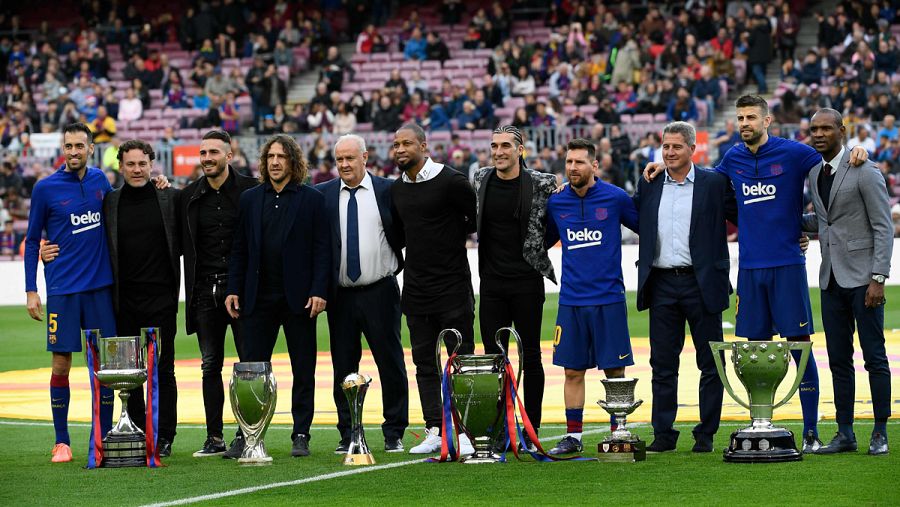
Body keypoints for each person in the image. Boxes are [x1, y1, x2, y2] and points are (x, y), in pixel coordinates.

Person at [644, 95, 869, 452]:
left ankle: (810, 431)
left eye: (751, 117)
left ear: (767, 121)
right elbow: (701, 183)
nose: (744, 123)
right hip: (749, 270)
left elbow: (832, 161)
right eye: (740, 118)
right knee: (754, 353)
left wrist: (857, 151)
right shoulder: (732, 158)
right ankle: (759, 423)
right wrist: (665, 167)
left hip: (787, 267)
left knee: (799, 349)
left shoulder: (794, 153)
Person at [633, 121, 737, 453]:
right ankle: (663, 433)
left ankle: (705, 434)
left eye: (677, 146)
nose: (669, 152)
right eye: (665, 147)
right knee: (662, 364)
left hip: (702, 282)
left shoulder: (715, 183)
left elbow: (748, 214)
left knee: (710, 363)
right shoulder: (649, 183)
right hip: (662, 283)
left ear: (693, 149)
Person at [225, 134, 329, 458]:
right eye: (270, 156)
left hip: (299, 300)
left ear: (293, 162)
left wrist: (319, 291)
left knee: (303, 369)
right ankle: (248, 435)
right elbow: (239, 249)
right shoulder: (250, 199)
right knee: (252, 372)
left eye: (281, 157)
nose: (274, 162)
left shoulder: (312, 199)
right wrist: (233, 288)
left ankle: (301, 433)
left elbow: (323, 250)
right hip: (258, 298)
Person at [24, 123, 117, 463]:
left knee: (104, 367)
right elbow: (34, 240)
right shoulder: (45, 189)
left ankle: (103, 436)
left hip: (100, 288)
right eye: (68, 146)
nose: (74, 151)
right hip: (62, 290)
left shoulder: (100, 182)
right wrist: (31, 288)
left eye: (80, 145)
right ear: (62, 148)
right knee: (61, 363)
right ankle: (61, 442)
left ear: (91, 147)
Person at [802, 108, 892, 456]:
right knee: (839, 359)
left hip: (864, 279)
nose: (819, 133)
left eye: (827, 128)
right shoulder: (813, 172)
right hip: (830, 280)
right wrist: (786, 222)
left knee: (875, 357)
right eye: (814, 129)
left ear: (843, 130)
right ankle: (845, 433)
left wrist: (879, 278)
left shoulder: (864, 170)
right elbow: (825, 221)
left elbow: (883, 226)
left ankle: (880, 431)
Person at [315, 134, 409, 454]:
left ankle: (394, 431)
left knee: (390, 362)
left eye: (350, 158)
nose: (343, 165)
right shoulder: (323, 195)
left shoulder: (388, 190)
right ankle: (348, 432)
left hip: (381, 291)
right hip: (340, 296)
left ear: (365, 157)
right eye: (339, 159)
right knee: (343, 367)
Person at [544, 138, 639, 455]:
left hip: (608, 299)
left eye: (579, 162)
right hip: (571, 301)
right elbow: (541, 239)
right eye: (568, 162)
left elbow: (647, 228)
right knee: (572, 371)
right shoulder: (556, 203)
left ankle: (618, 433)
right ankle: (573, 437)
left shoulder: (615, 198)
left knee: (615, 371)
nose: (572, 168)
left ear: (595, 165)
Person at [389, 123, 477, 455]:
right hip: (415, 289)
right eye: (396, 145)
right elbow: (399, 235)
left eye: (406, 143)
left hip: (453, 287)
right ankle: (436, 428)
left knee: (460, 361)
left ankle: (466, 430)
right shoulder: (397, 190)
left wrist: (452, 238)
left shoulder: (452, 181)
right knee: (424, 364)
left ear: (424, 146)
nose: (399, 149)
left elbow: (476, 219)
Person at [472, 125, 557, 450]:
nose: (498, 151)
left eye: (506, 145)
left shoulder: (542, 183)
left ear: (520, 149)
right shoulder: (480, 179)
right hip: (491, 284)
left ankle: (531, 431)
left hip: (527, 282)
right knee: (495, 359)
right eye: (494, 145)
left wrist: (540, 249)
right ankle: (498, 431)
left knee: (531, 356)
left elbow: (558, 219)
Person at [178, 130, 258, 458]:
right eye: (203, 152)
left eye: (214, 152)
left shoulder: (252, 190)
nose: (207, 157)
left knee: (247, 366)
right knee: (210, 365)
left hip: (241, 289)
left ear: (229, 155)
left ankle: (247, 434)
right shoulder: (188, 196)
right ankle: (214, 438)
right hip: (203, 292)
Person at [100, 140, 180, 456]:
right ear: (121, 166)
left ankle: (165, 436)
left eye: (142, 164)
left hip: (162, 300)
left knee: (164, 370)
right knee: (130, 375)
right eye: (130, 164)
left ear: (151, 165)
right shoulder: (110, 203)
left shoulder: (170, 199)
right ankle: (136, 432)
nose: (136, 169)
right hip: (125, 302)